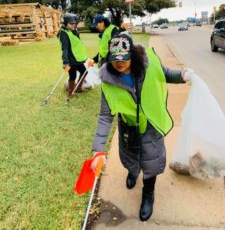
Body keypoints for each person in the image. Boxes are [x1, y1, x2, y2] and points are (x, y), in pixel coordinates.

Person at [91, 33, 193, 222]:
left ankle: (148, 193)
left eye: (124, 59)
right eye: (115, 60)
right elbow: (106, 117)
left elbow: (166, 74)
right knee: (130, 155)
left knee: (150, 160)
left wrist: (182, 75)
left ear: (133, 54)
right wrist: (98, 150)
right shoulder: (108, 81)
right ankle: (133, 172)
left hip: (150, 124)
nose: (119, 64)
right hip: (128, 126)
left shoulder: (149, 65)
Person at [57, 14, 88, 97]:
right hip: (71, 59)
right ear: (66, 23)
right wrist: (65, 62)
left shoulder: (71, 31)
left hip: (77, 58)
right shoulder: (63, 33)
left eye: (74, 24)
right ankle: (70, 93)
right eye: (71, 24)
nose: (73, 25)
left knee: (84, 71)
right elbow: (65, 49)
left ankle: (78, 88)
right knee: (72, 76)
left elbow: (77, 42)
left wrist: (75, 31)